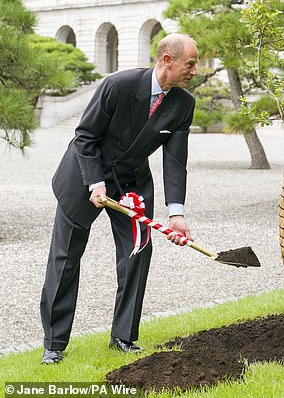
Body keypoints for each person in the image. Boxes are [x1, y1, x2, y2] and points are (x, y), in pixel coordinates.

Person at [40, 33, 199, 364]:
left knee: (137, 252)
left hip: (131, 183)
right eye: (191, 63)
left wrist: (176, 214)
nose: (195, 71)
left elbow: (175, 161)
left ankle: (123, 337)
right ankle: (54, 343)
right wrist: (95, 183)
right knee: (65, 257)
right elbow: (85, 136)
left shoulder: (183, 104)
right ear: (167, 61)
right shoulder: (118, 84)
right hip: (84, 176)